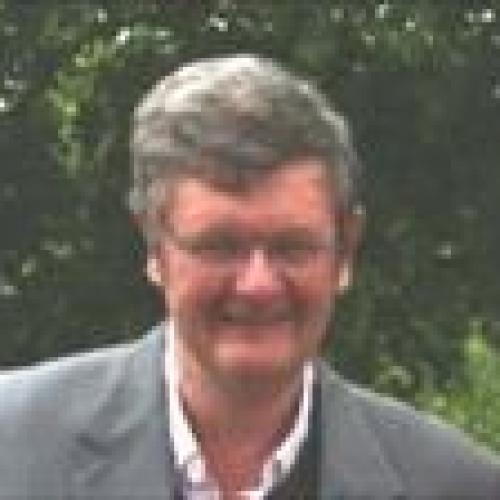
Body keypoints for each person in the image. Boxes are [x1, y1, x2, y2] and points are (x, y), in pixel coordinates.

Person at [0, 54, 498, 499]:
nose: (258, 284)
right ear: (155, 247)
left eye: (293, 247)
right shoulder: (13, 447)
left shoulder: (455, 485)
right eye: (220, 246)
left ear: (345, 250)